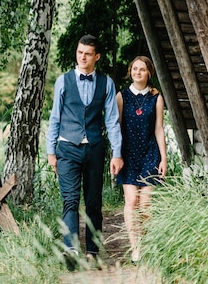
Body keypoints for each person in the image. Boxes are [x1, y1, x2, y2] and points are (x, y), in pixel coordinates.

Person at [46, 34, 124, 270]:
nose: (82, 57)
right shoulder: (63, 81)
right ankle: (70, 249)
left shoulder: (106, 83)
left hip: (94, 149)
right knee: (69, 199)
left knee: (93, 202)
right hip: (67, 148)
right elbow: (54, 117)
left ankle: (92, 250)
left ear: (96, 57)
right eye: (80, 52)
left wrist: (117, 153)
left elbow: (111, 121)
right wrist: (51, 151)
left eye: (87, 53)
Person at [116, 56, 168, 264]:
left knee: (145, 205)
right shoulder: (122, 96)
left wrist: (163, 158)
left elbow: (159, 129)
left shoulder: (156, 97)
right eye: (135, 69)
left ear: (149, 73)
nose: (138, 72)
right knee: (131, 201)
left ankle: (147, 244)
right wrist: (116, 155)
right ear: (131, 71)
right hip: (128, 155)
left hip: (149, 154)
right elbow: (116, 128)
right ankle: (136, 248)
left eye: (142, 69)